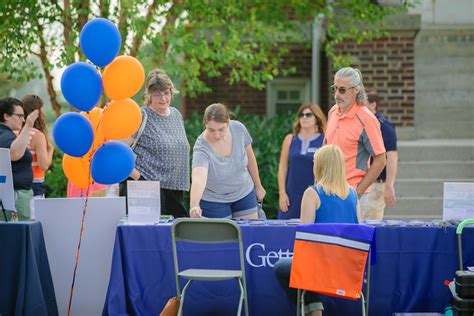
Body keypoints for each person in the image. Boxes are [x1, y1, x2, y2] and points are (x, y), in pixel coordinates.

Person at [274, 144, 360, 316]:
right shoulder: (353, 194)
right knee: (307, 263)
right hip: (349, 268)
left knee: (282, 267)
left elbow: (305, 241)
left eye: (314, 162)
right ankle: (314, 309)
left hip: (321, 267)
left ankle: (315, 309)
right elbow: (357, 230)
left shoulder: (312, 193)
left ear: (320, 166)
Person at [121, 69, 189, 217]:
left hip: (175, 190)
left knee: (174, 235)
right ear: (148, 95)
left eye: (166, 92)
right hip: (146, 189)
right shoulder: (139, 116)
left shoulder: (176, 115)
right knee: (149, 236)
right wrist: (138, 177)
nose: (163, 98)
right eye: (157, 94)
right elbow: (118, 150)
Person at [325, 67, 386, 215]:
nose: (337, 94)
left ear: (356, 90)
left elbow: (380, 160)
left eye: (342, 90)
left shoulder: (367, 118)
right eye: (335, 89)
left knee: (349, 238)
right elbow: (325, 148)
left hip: (351, 194)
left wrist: (358, 192)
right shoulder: (333, 111)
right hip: (326, 191)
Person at [189, 103, 266, 219]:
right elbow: (199, 178)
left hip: (243, 192)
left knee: (249, 233)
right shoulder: (201, 147)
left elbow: (250, 158)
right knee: (223, 236)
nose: (216, 135)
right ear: (205, 124)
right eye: (211, 130)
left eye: (221, 129)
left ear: (228, 122)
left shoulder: (239, 129)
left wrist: (258, 186)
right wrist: (194, 205)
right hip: (213, 200)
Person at [278, 103, 327, 219]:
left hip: (314, 194)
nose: (304, 117)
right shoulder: (290, 139)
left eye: (308, 115)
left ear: (317, 118)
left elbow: (326, 169)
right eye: (301, 114)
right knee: (286, 230)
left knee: (311, 232)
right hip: (291, 196)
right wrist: (282, 193)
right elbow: (282, 167)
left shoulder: (324, 140)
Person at [0, 97, 38, 220]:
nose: (23, 119)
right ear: (6, 116)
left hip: (14, 195)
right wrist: (28, 126)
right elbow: (14, 154)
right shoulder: (4, 135)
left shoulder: (6, 134)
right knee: (18, 235)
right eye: (20, 116)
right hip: (15, 197)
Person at [363, 90, 398, 220]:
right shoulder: (360, 123)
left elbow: (392, 157)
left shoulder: (384, 127)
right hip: (359, 182)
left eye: (363, 103)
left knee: (370, 225)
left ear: (373, 105)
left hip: (376, 185)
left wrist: (389, 186)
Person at [21, 95, 54, 219]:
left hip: (19, 186)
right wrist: (50, 150)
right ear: (37, 111)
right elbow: (44, 165)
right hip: (35, 187)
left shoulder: (17, 132)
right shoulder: (37, 135)